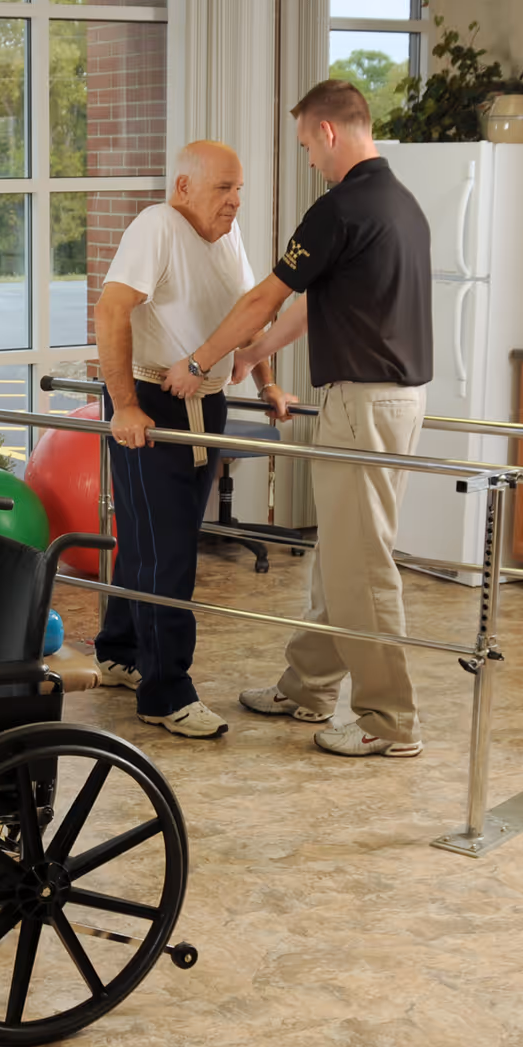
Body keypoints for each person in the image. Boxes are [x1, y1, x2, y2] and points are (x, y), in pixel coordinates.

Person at [165, 80, 433, 758]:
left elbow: (265, 296)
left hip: (364, 403)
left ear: (332, 132)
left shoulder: (339, 208)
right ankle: (310, 687)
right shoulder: (400, 205)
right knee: (338, 554)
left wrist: (201, 362)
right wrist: (256, 354)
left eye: (309, 143)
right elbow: (320, 304)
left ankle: (389, 720)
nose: (310, 158)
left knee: (361, 564)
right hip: (392, 401)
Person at [93, 139, 297, 740]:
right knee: (169, 550)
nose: (235, 201)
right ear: (184, 187)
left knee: (150, 539)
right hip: (152, 402)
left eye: (239, 189)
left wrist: (266, 380)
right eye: (223, 188)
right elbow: (110, 311)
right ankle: (165, 691)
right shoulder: (156, 226)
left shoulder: (226, 236)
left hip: (205, 400)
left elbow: (246, 313)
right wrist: (125, 405)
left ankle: (122, 652)